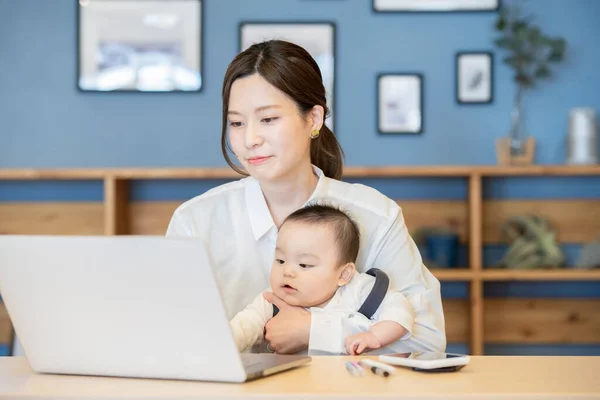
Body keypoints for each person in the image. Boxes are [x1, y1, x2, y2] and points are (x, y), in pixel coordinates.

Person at [166, 39, 446, 355]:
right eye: (236, 122)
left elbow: (428, 341)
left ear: (313, 119)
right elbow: (172, 340)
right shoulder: (195, 221)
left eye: (268, 119)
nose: (249, 139)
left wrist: (315, 331)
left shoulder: (376, 217)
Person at [230, 203, 414, 356]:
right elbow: (242, 328)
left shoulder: (360, 290)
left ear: (343, 275)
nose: (287, 271)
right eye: (280, 260)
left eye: (304, 265)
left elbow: (399, 310)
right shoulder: (270, 301)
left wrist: (375, 336)